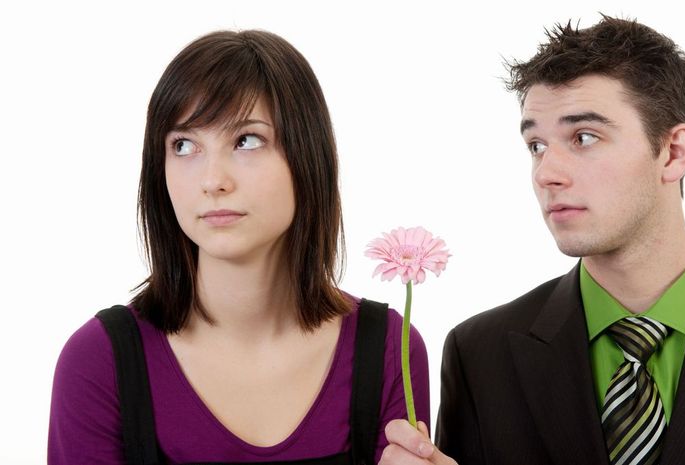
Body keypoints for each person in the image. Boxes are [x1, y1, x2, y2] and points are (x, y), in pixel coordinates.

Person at [380, 15, 685, 465]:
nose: (546, 173)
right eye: (536, 145)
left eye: (584, 137)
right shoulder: (480, 355)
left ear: (674, 152)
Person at [48, 30, 429, 465]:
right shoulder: (98, 362)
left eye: (246, 140)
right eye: (184, 145)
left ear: (308, 156)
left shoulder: (387, 348)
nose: (213, 180)